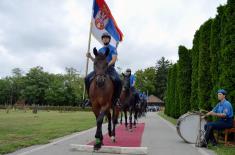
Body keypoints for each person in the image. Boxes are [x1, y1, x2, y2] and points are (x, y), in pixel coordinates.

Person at [85, 32, 122, 105]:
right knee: (87, 78)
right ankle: (89, 98)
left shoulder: (113, 48)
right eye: (104, 38)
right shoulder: (100, 50)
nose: (105, 39)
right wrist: (90, 57)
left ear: (109, 39)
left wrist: (106, 65)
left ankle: (117, 99)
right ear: (102, 40)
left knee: (118, 80)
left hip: (110, 68)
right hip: (100, 69)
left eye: (106, 38)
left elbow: (114, 59)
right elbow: (96, 61)